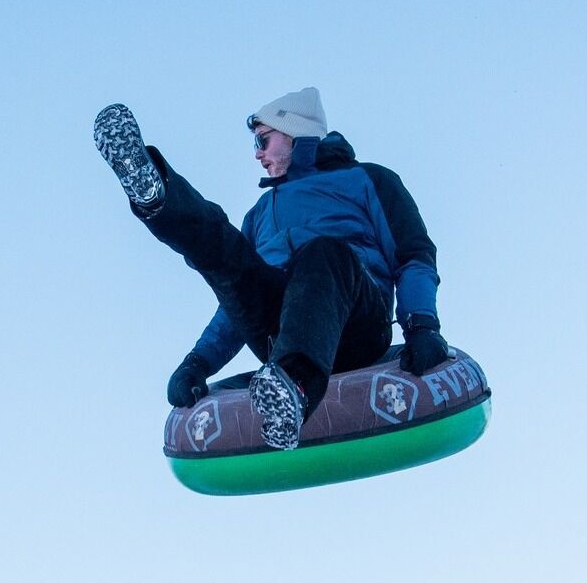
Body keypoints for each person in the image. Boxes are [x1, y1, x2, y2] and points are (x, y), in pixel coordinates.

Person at [93, 87, 451, 450]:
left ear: (296, 133)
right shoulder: (261, 214)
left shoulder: (368, 180)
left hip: (355, 321)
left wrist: (422, 325)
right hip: (279, 333)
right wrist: (198, 362)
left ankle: (294, 387)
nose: (258, 155)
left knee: (323, 253)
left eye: (263, 141)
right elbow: (235, 298)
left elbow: (413, 256)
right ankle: (157, 197)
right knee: (228, 257)